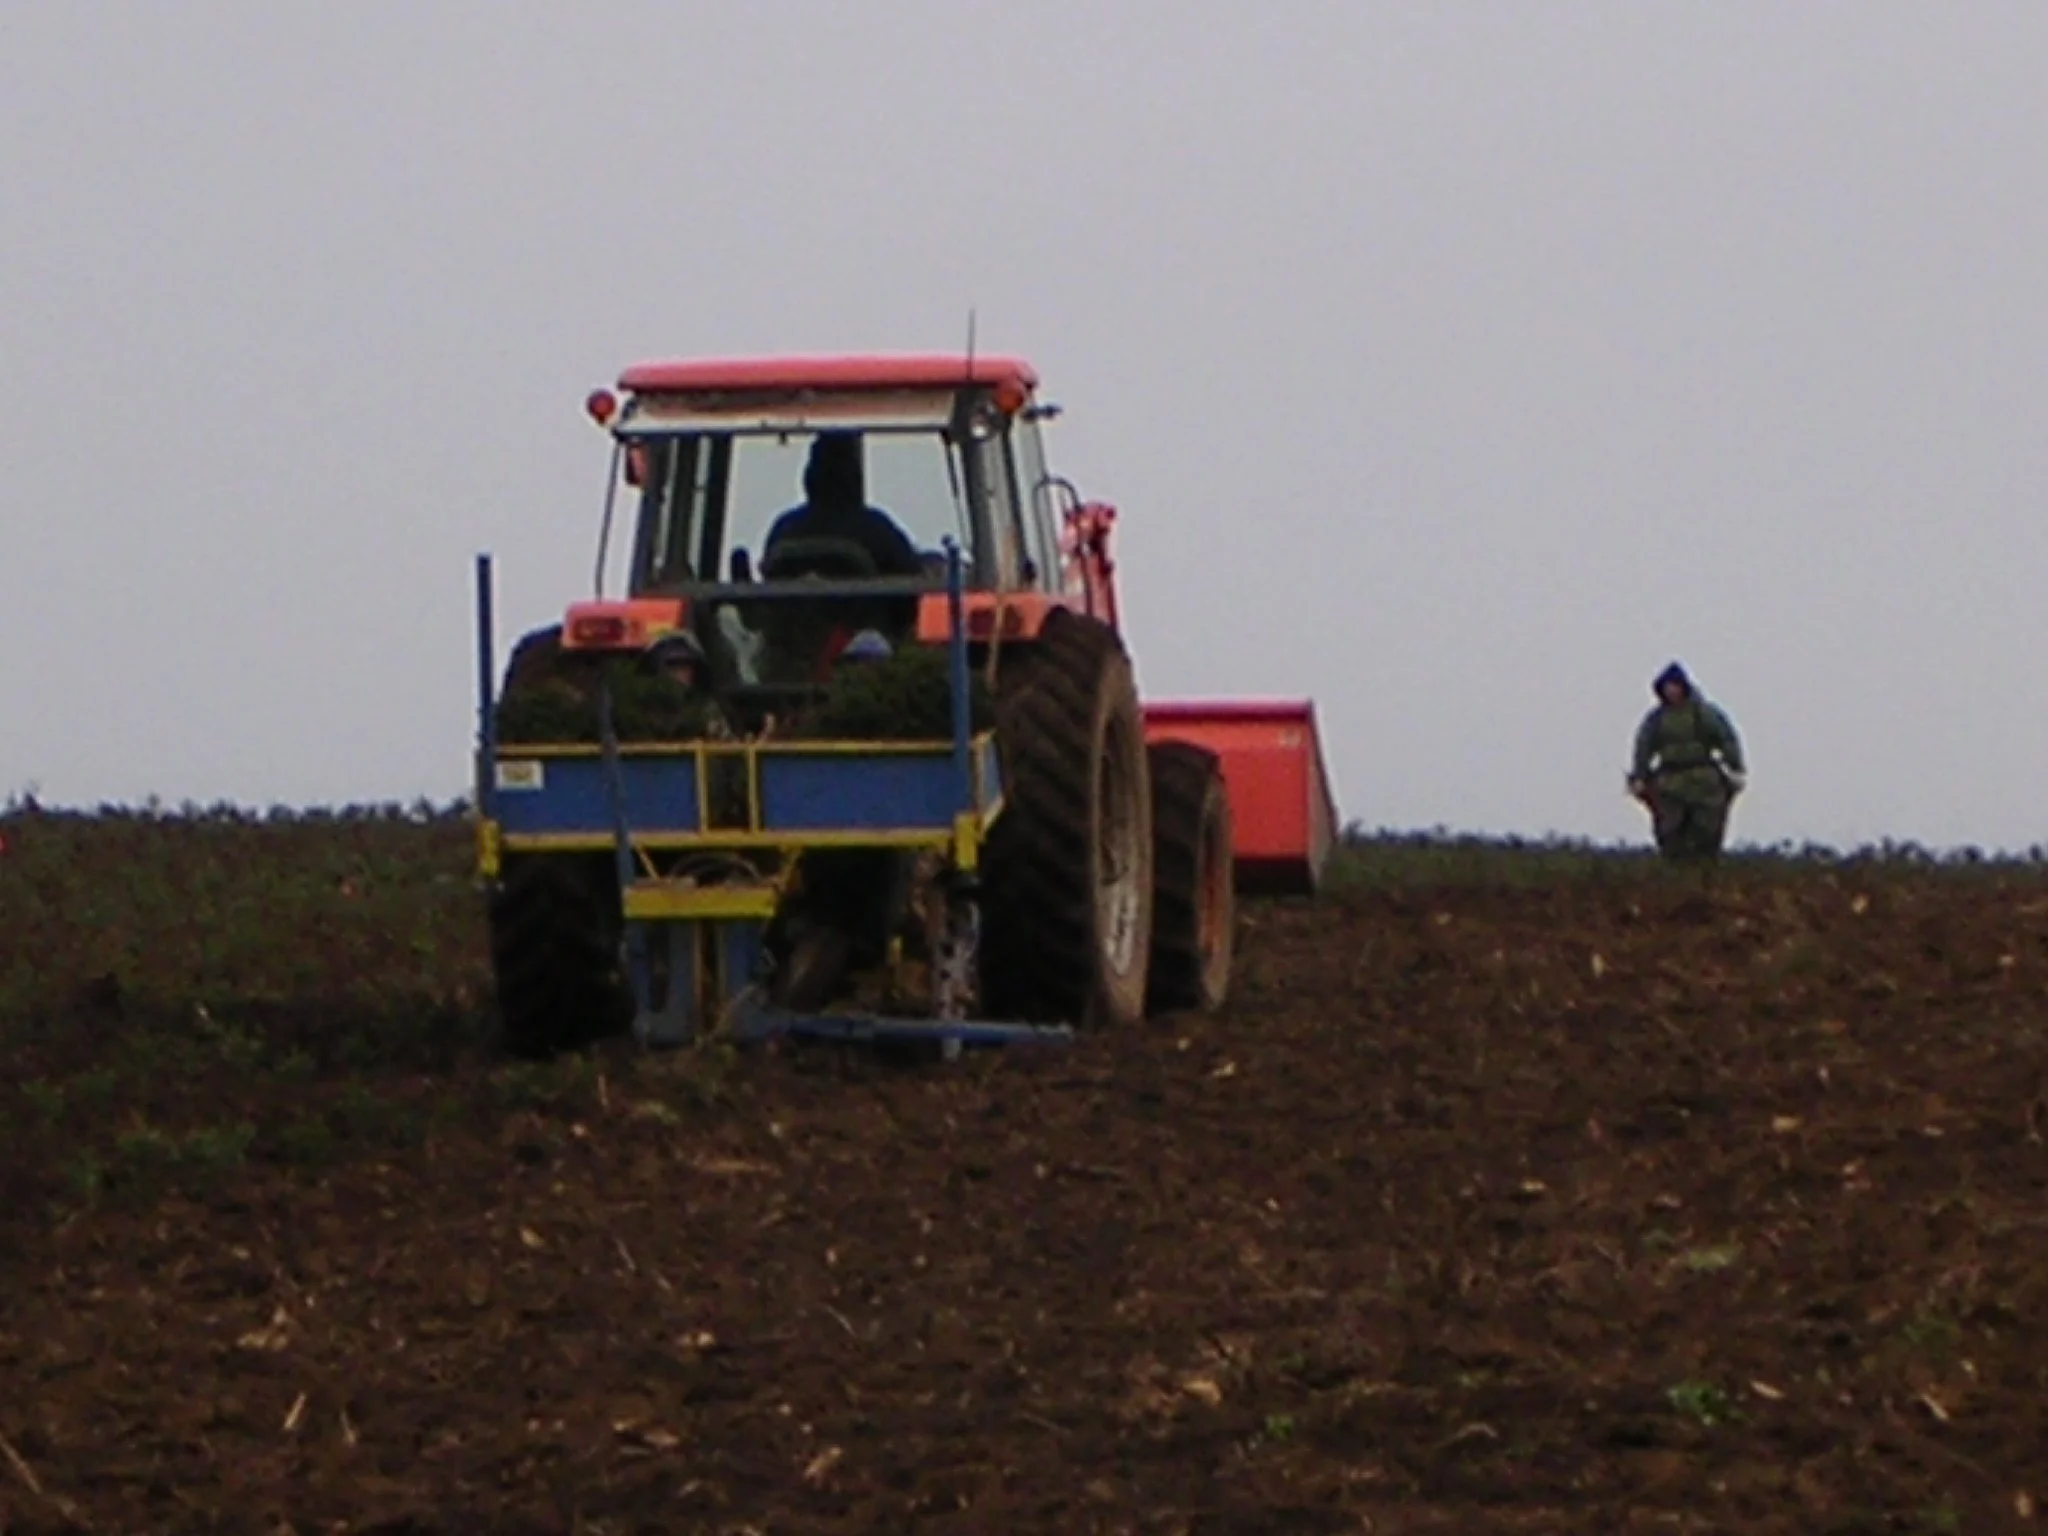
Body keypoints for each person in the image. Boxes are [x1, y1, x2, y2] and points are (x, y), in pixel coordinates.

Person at [1628, 661, 1747, 863]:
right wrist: (1640, 776)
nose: (1671, 691)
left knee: (1707, 831)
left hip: (1704, 781)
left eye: (1675, 686)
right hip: (1669, 782)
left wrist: (1736, 768)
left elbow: (1726, 738)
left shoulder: (1704, 714)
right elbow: (1643, 747)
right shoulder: (1656, 719)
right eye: (1667, 687)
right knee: (1670, 832)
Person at [763, 432, 923, 581]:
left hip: (791, 612)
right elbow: (911, 580)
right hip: (864, 612)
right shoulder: (877, 530)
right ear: (855, 476)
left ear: (808, 476)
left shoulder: (784, 529)